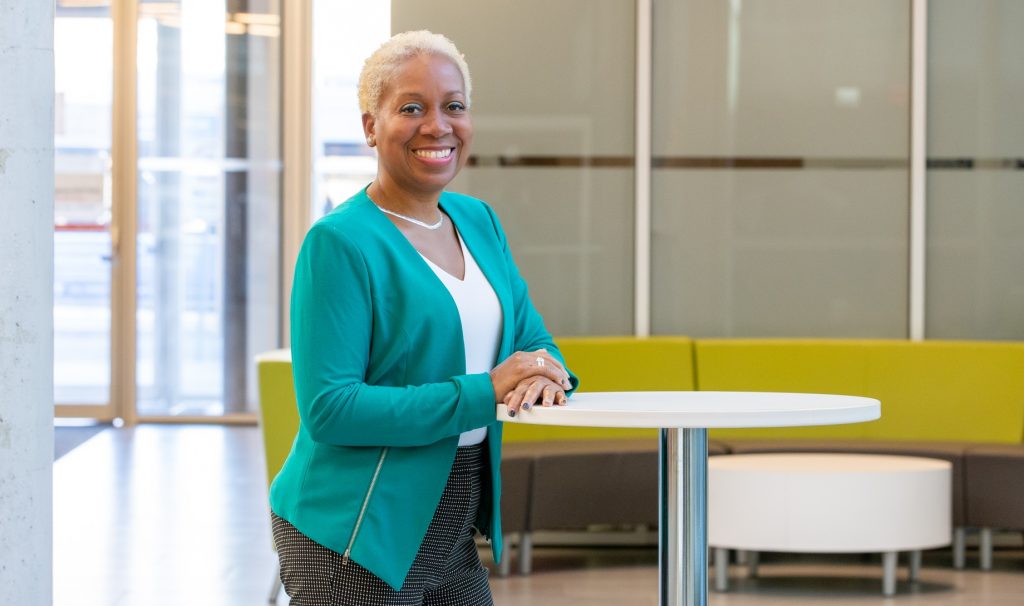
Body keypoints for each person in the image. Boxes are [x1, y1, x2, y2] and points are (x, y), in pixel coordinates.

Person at [269, 30, 579, 606]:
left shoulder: (478, 220)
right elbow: (330, 409)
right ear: (370, 127)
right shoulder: (339, 243)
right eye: (411, 108)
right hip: (354, 528)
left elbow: (534, 340)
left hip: (453, 522)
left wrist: (546, 373)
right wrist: (487, 391)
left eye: (453, 106)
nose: (437, 125)